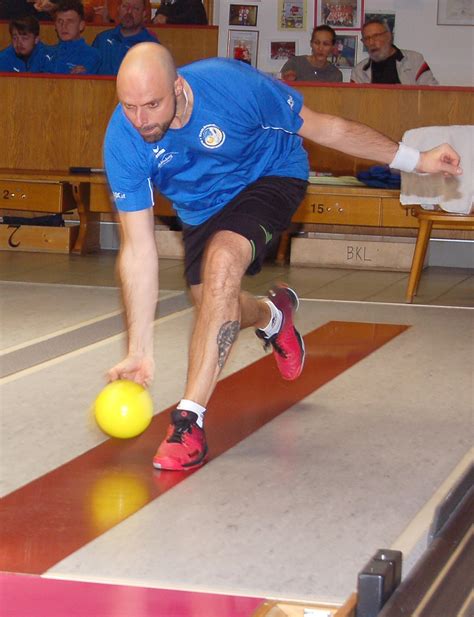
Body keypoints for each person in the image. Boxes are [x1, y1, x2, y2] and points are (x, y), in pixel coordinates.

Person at [103, 43, 461, 471]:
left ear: (178, 86)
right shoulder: (123, 139)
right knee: (216, 306)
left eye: (152, 105)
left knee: (222, 264)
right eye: (129, 107)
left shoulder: (232, 85)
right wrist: (139, 348)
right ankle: (275, 317)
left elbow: (326, 127)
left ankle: (188, 422)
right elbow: (139, 249)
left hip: (270, 176)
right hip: (201, 208)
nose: (141, 120)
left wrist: (417, 160)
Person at [351, 19, 438, 85]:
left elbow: (431, 93)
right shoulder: (359, 71)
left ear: (389, 36)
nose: (371, 43)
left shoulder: (414, 60)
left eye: (376, 36)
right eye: (367, 39)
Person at [92, 0, 157, 75]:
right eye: (125, 6)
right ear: (118, 9)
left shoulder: (152, 47)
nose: (129, 12)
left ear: (144, 14)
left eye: (135, 8)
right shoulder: (102, 39)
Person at [42, 0, 101, 74]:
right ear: (55, 25)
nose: (64, 26)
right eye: (60, 21)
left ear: (81, 25)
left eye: (70, 21)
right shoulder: (46, 53)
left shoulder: (92, 55)